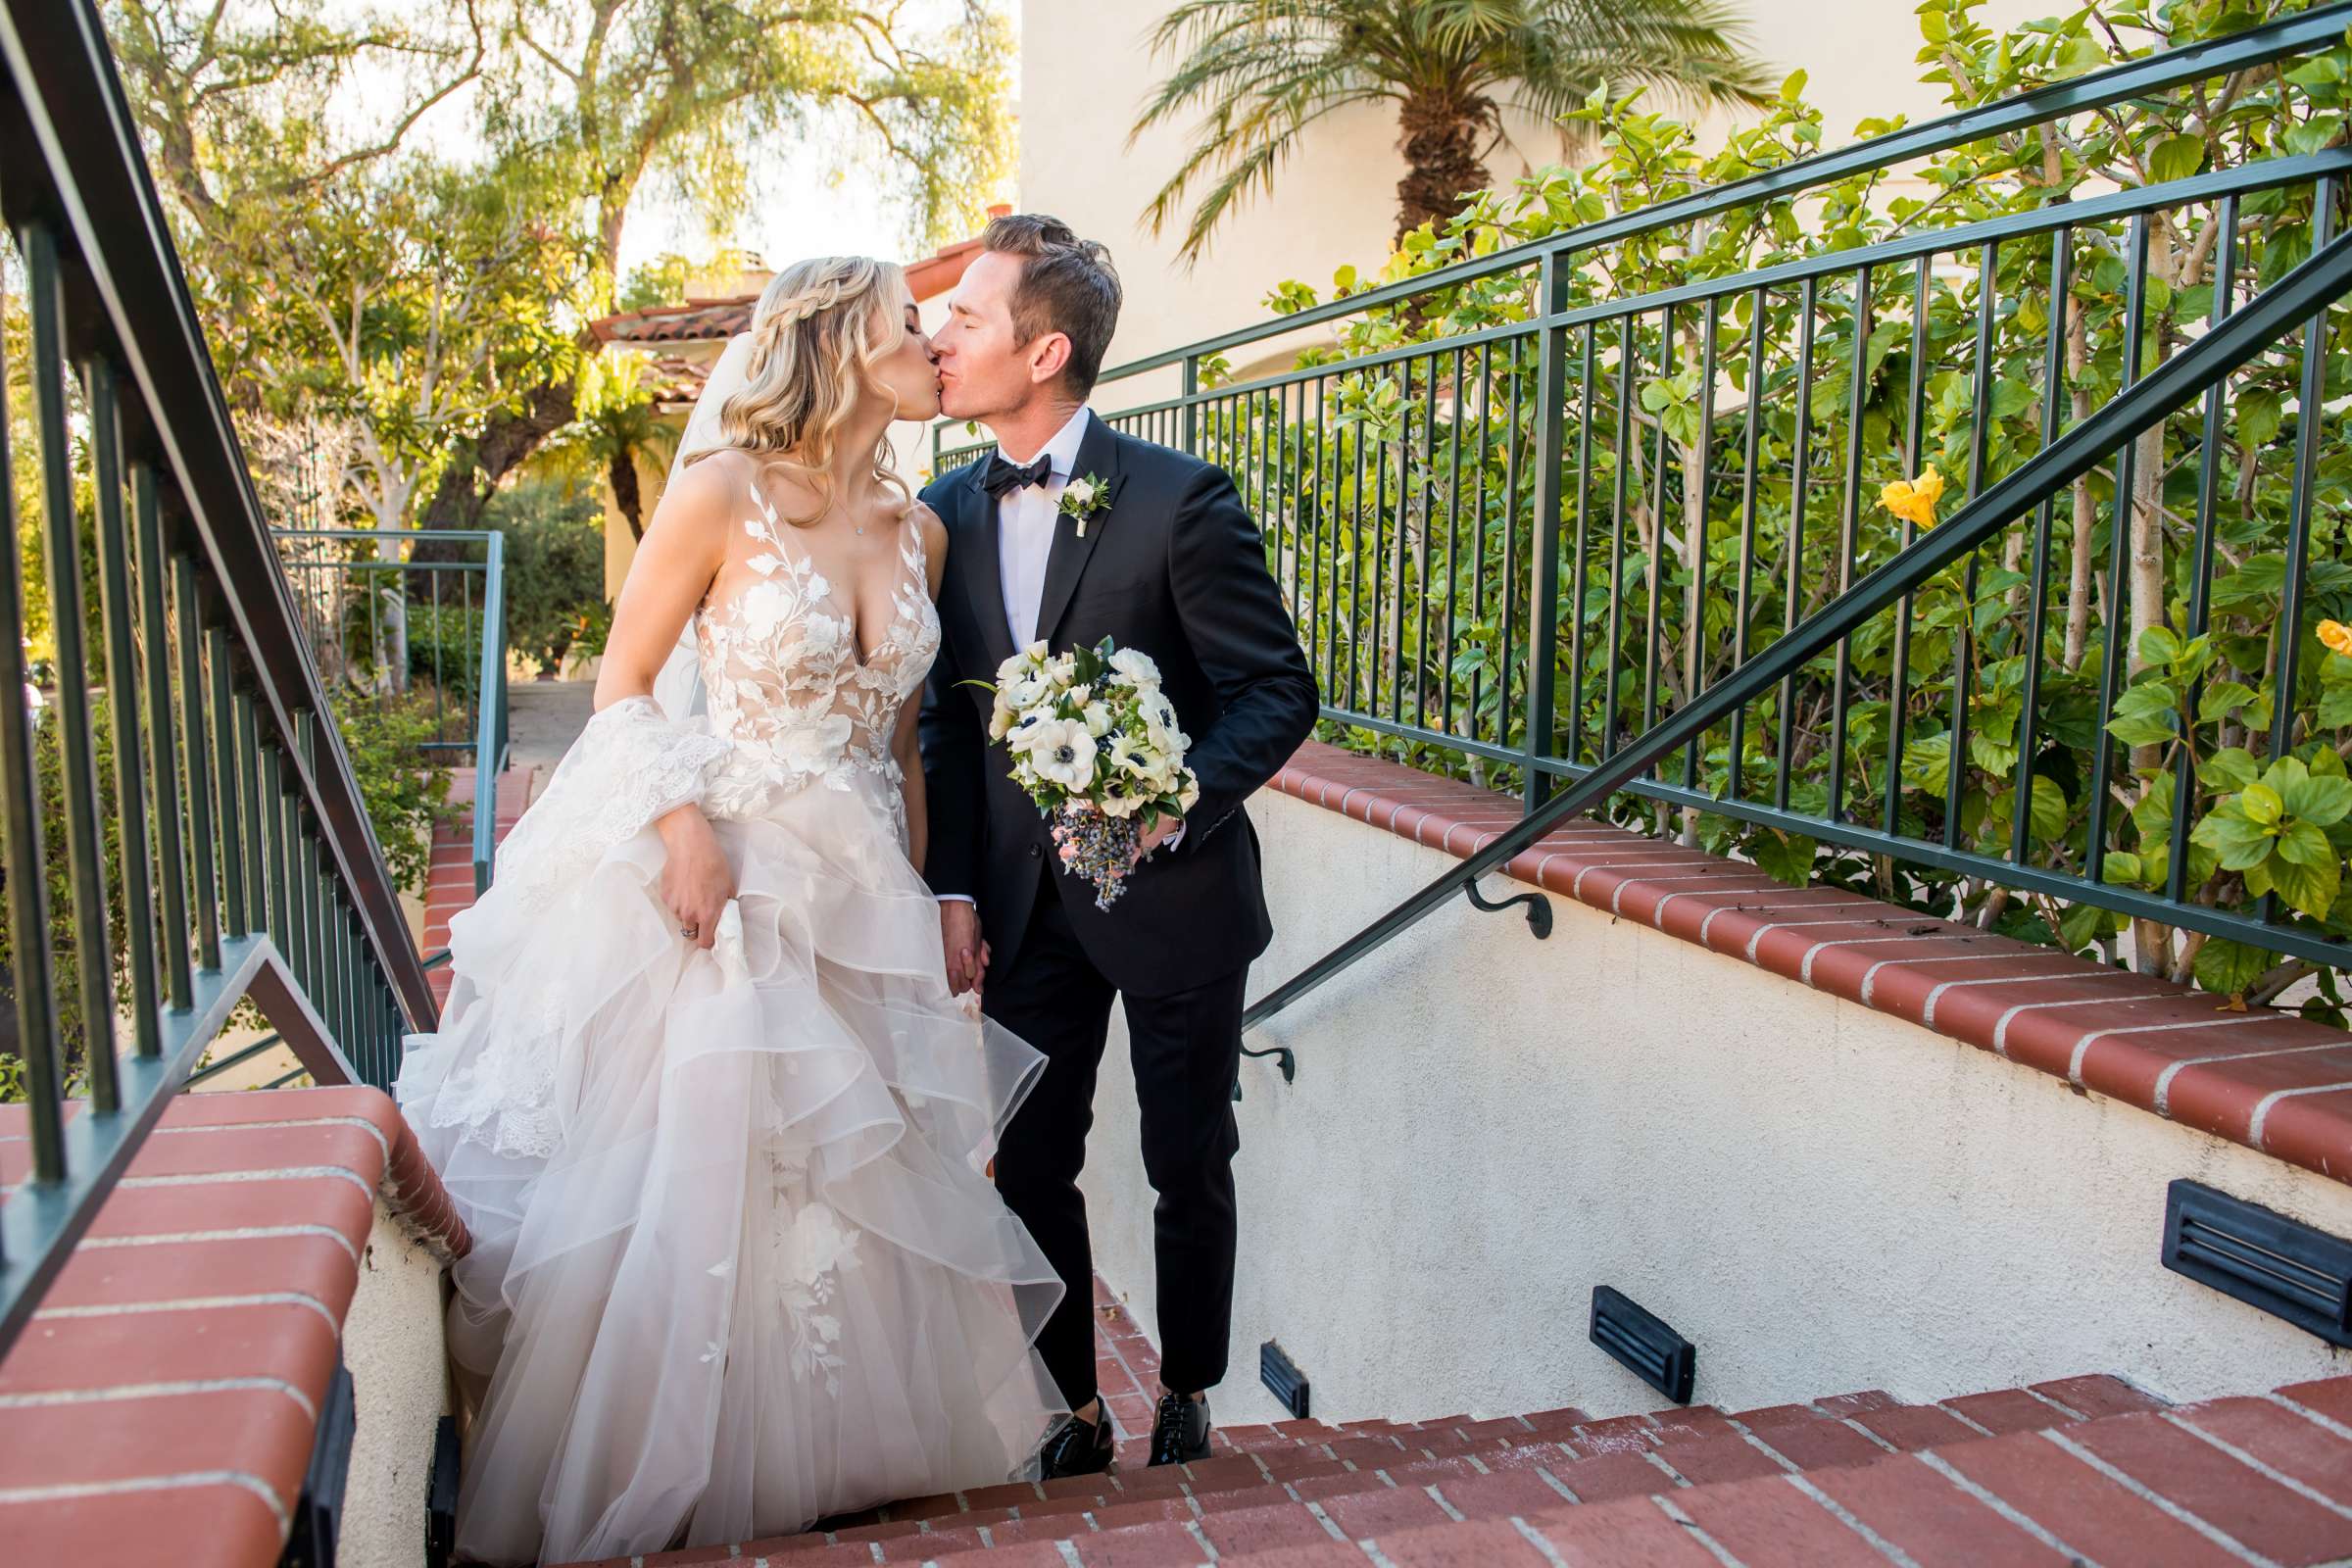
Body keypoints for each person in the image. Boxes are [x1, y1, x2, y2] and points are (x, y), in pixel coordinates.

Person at [396, 256, 1066, 1567]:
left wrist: (929, 893)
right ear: (839, 346)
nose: (932, 346)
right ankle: (694, 1464)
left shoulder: (920, 526)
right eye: (906, 329)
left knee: (860, 1177)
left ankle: (859, 1453)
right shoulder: (718, 495)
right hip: (735, 886)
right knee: (724, 1173)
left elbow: (908, 746)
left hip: (864, 893)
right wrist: (682, 831)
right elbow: (623, 684)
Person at [918, 214, 1319, 1477]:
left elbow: (1275, 690)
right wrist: (953, 889)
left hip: (1177, 899)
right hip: (1021, 912)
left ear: (1044, 355)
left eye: (968, 317)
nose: (942, 333)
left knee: (1186, 1159)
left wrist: (1172, 796)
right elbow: (939, 715)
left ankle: (1190, 1391)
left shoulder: (1181, 499)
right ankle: (1076, 1411)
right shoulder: (942, 511)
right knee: (1030, 1156)